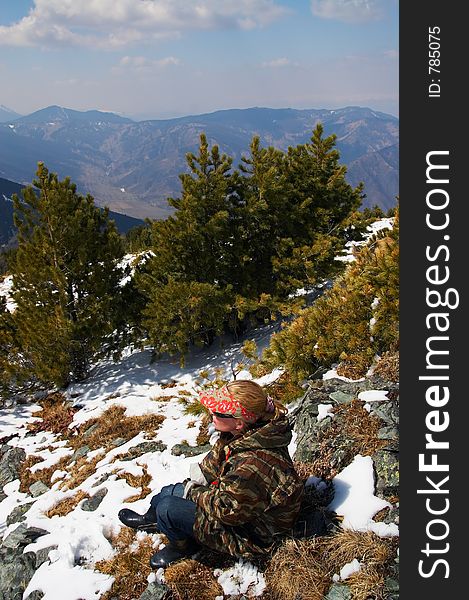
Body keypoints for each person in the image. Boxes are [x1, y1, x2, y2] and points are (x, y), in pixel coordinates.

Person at [118, 380, 305, 568]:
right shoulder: (245, 434)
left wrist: (193, 492)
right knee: (168, 492)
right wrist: (198, 479)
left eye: (218, 412)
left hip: (253, 536)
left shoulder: (251, 465)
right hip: (240, 508)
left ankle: (182, 546)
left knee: (168, 508)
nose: (211, 414)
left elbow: (226, 510)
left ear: (239, 422)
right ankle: (152, 521)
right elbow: (215, 463)